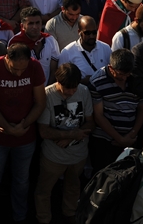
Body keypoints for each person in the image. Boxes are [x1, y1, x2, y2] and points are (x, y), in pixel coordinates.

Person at [0, 43, 45, 224]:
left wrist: (23, 125)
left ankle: (20, 218)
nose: (19, 74)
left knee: (22, 183)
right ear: (7, 58)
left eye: (23, 69)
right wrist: (8, 128)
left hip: (25, 137)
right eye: (15, 69)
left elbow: (40, 102)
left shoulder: (35, 67)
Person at [34, 63, 95, 224]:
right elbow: (44, 131)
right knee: (44, 191)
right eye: (67, 88)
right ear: (57, 81)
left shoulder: (84, 91)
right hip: (53, 156)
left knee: (73, 187)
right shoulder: (47, 95)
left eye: (74, 88)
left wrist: (70, 137)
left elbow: (90, 123)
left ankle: (70, 215)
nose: (71, 92)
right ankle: (43, 218)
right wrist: (73, 134)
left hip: (78, 155)